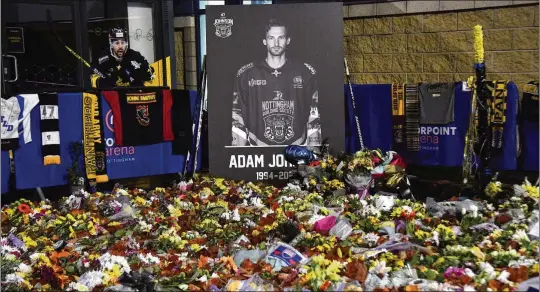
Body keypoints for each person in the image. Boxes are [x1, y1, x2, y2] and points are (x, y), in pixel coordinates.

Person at [231, 18, 321, 147]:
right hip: (258, 149)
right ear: (264, 41)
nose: (276, 43)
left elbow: (314, 113)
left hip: (297, 147)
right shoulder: (246, 74)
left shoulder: (305, 72)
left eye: (281, 38)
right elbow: (237, 115)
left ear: (288, 40)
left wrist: (314, 151)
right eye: (271, 38)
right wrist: (238, 151)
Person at [90, 27, 154, 88]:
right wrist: (101, 82)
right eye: (117, 43)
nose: (120, 46)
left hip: (134, 95)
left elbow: (151, 74)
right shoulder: (103, 57)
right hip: (112, 96)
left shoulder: (135, 56)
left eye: (123, 42)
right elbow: (92, 76)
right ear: (111, 44)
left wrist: (140, 73)